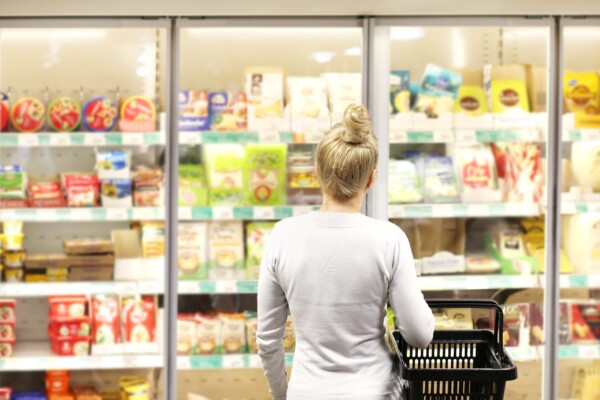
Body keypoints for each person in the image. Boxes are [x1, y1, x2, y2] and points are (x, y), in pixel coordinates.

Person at [257, 104, 435, 400]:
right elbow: (419, 335)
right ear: (371, 179)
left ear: (317, 173)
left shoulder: (282, 236)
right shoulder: (390, 239)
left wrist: (282, 394)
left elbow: (267, 341)